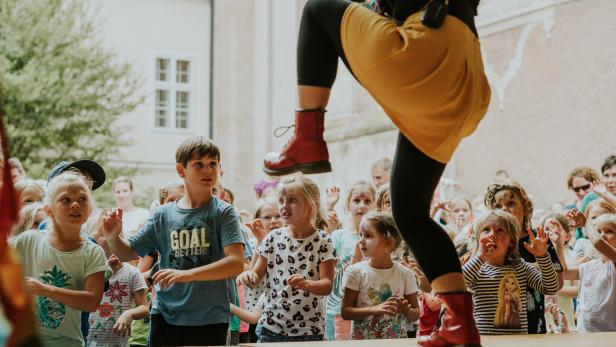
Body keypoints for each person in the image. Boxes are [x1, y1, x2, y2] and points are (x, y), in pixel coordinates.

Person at [262, 1, 490, 344]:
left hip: (426, 57)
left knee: (317, 10)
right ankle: (460, 324)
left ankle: (308, 137)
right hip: (468, 84)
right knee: (410, 213)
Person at [101, 136, 246, 346]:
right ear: (181, 170)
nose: (208, 170)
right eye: (199, 164)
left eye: (213, 164)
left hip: (210, 317)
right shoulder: (163, 214)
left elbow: (235, 263)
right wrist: (112, 236)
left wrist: (186, 275)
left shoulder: (224, 212)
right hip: (166, 315)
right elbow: (127, 252)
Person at [9, 172, 108, 347]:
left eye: (82, 199)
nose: (75, 204)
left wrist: (45, 289)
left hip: (68, 343)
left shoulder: (93, 252)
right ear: (49, 210)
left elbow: (92, 301)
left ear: (90, 209)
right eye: (66, 200)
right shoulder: (29, 240)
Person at [237, 176, 336, 343]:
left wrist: (307, 284)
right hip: (271, 329)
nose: (284, 205)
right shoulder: (273, 238)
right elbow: (255, 279)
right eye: (282, 200)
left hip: (308, 330)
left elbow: (327, 285)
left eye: (292, 200)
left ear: (312, 204)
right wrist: (247, 277)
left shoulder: (323, 241)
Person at [484, 182, 564, 334]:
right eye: (498, 206)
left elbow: (558, 283)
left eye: (511, 203)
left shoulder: (538, 240)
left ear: (526, 208)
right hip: (496, 325)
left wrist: (538, 264)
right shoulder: (489, 242)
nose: (505, 209)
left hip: (533, 325)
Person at [463, 210, 559, 335]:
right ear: (478, 238)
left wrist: (542, 256)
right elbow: (457, 284)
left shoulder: (521, 267)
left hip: (517, 342)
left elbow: (551, 288)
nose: (492, 235)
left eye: (499, 230)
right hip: (485, 341)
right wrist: (480, 257)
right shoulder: (476, 268)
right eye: (486, 230)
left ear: (512, 241)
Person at [341, 211, 420, 339]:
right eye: (361, 235)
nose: (360, 241)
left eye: (367, 235)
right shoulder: (355, 272)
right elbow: (345, 312)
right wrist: (374, 309)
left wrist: (406, 310)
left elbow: (416, 313)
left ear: (388, 243)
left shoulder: (406, 274)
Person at [326, 180, 376, 341]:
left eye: (367, 201)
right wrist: (329, 209)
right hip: (336, 310)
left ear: (375, 206)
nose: (362, 205)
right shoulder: (338, 236)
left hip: (367, 310)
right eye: (356, 200)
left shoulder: (378, 240)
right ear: (347, 206)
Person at [88, 226, 149, 347]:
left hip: (119, 343)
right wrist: (106, 271)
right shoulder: (90, 271)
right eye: (103, 235)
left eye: (117, 236)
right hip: (89, 341)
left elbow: (144, 307)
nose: (108, 240)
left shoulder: (132, 273)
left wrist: (129, 314)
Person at [563, 214, 616, 332]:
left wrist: (585, 221)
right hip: (585, 334)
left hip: (610, 336)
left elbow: (598, 242)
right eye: (598, 231)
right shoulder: (590, 265)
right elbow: (563, 273)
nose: (602, 235)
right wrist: (558, 243)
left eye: (609, 231)